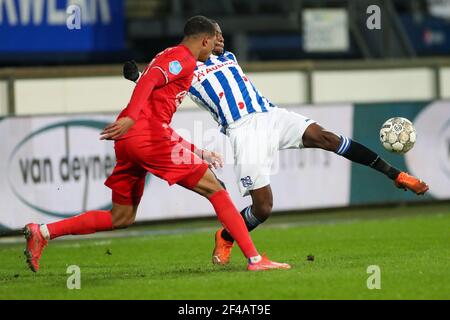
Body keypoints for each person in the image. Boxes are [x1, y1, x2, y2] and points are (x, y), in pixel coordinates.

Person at [123, 21, 429, 266]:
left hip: (272, 115)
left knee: (327, 137)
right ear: (203, 38)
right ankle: (227, 236)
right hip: (243, 130)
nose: (221, 40)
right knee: (264, 207)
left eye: (222, 34)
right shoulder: (187, 69)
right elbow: (159, 80)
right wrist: (137, 76)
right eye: (215, 35)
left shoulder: (228, 58)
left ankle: (397, 175)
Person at [23, 16, 290, 273]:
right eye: (214, 41)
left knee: (121, 217)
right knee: (216, 188)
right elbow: (149, 82)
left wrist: (198, 151)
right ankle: (254, 259)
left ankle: (43, 232)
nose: (215, 49)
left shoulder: (170, 56)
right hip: (142, 135)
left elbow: (158, 119)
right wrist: (130, 117)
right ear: (205, 41)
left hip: (131, 139)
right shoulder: (182, 59)